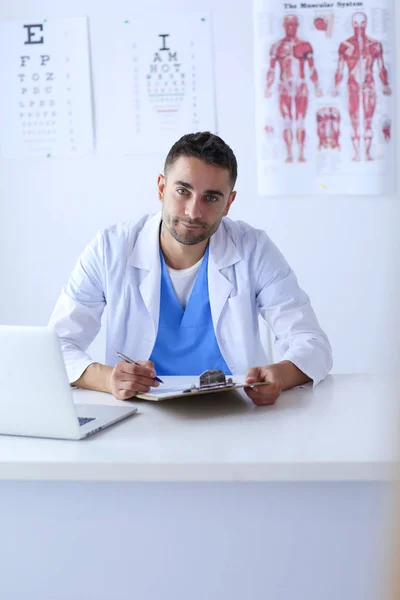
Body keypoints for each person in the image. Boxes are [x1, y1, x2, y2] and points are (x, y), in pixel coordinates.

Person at [49, 131, 332, 406]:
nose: (193, 212)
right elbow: (55, 347)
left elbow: (311, 342)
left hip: (234, 413)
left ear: (229, 203)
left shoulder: (253, 249)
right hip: (139, 414)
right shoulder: (109, 249)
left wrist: (279, 376)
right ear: (161, 188)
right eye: (183, 191)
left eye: (211, 198)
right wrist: (108, 379)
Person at [332, 12, 392, 162]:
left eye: (362, 23)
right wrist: (336, 86)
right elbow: (340, 69)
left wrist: (385, 85)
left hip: (368, 86)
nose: (359, 27)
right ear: (352, 24)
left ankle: (367, 152)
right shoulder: (344, 45)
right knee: (354, 119)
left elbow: (381, 67)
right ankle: (357, 153)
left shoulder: (375, 45)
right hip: (352, 86)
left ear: (366, 24)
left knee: (368, 119)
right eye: (356, 24)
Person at [265, 14, 323, 163]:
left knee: (300, 120)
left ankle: (301, 153)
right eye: (287, 24)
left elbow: (311, 68)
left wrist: (316, 86)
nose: (290, 27)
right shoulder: (276, 47)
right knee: (287, 121)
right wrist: (268, 87)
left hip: (300, 86)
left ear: (297, 25)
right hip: (284, 86)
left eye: (293, 24)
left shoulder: (305, 45)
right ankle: (290, 154)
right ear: (284, 26)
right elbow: (271, 70)